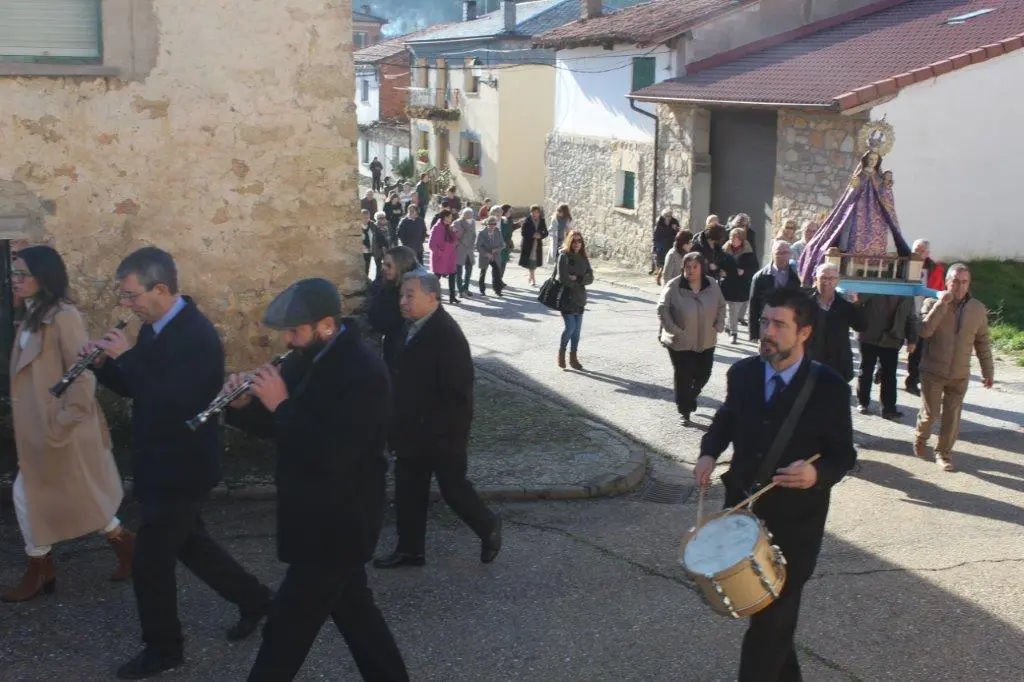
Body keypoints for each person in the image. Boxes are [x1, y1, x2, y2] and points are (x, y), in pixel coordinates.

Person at [83, 247, 274, 679]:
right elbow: (138, 387)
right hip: (158, 460)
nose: (126, 304)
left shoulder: (196, 336)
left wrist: (124, 357)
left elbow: (175, 401)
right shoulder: (155, 327)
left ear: (162, 289)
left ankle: (164, 648)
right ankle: (259, 600)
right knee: (192, 545)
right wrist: (103, 367)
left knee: (150, 562)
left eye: (131, 295)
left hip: (182, 466)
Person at [223, 278, 409, 682]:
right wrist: (241, 406)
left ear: (326, 325)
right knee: (358, 617)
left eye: (295, 331)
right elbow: (278, 426)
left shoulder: (365, 373)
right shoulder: (305, 359)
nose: (288, 340)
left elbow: (334, 452)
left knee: (285, 630)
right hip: (312, 513)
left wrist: (281, 405)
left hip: (339, 522)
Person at [694, 287, 856, 682]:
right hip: (743, 517)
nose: (767, 331)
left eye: (779, 324)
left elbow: (843, 455)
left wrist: (816, 475)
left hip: (796, 526)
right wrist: (708, 452)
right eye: (765, 321)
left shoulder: (830, 387)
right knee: (772, 623)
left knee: (769, 627)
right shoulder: (743, 373)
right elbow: (728, 418)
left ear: (804, 332)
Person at [1, 246, 133, 603]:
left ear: (44, 277)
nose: (15, 281)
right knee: (79, 495)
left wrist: (63, 421)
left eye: (22, 274)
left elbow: (83, 372)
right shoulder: (28, 313)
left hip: (61, 429)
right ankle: (126, 547)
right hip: (39, 429)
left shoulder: (63, 315)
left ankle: (39, 569)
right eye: (13, 274)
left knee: (26, 495)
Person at [374, 271, 502, 568]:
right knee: (408, 492)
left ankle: (489, 526)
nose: (403, 302)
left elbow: (458, 393)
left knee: (454, 489)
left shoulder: (446, 334)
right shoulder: (407, 328)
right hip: (408, 430)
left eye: (410, 295)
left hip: (441, 434)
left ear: (432, 297)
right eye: (401, 295)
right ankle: (410, 549)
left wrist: (440, 432)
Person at [914, 264, 994, 472]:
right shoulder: (931, 302)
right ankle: (921, 435)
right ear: (947, 282)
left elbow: (982, 342)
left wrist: (988, 371)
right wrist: (941, 304)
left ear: (969, 284)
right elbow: (924, 331)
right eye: (955, 281)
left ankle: (943, 454)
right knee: (931, 414)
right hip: (933, 370)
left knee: (952, 416)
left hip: (959, 374)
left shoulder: (977, 308)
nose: (959, 286)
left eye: (963, 282)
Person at [797, 149, 910, 283]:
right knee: (852, 232)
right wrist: (857, 185)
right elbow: (850, 195)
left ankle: (878, 269)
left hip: (877, 214)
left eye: (875, 160)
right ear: (866, 160)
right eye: (870, 159)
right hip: (859, 211)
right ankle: (850, 265)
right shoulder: (860, 174)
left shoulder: (879, 177)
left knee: (882, 236)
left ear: (878, 161)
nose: (872, 162)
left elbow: (886, 198)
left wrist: (886, 187)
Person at [658, 252, 726, 425]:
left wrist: (718, 324)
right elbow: (662, 308)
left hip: (706, 339)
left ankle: (691, 396)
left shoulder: (712, 285)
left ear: (701, 268)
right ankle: (685, 410)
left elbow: (721, 305)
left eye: (695, 267)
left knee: (704, 373)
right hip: (680, 341)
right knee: (684, 375)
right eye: (687, 267)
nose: (691, 270)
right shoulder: (674, 286)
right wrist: (673, 329)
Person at [855, 294, 918, 420]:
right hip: (869, 335)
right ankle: (863, 402)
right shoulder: (876, 285)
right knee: (866, 370)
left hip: (892, 338)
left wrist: (912, 340)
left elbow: (911, 318)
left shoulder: (907, 294)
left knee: (889, 375)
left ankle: (888, 409)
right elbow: (857, 303)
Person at [806, 262, 866, 382]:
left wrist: (857, 305)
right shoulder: (804, 302)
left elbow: (862, 326)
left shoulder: (845, 305)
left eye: (832, 278)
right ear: (815, 279)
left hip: (837, 365)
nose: (827, 282)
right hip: (809, 364)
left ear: (837, 281)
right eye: (823, 277)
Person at [367, 246, 421, 372]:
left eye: (389, 265)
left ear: (401, 266)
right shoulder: (384, 280)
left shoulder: (411, 292)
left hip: (401, 346)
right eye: (383, 264)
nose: (383, 268)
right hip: (388, 342)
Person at [905, 238, 946, 396]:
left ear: (927, 253)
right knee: (892, 341)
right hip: (902, 310)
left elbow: (938, 291)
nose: (918, 253)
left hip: (921, 313)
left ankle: (912, 381)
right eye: (916, 249)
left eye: (921, 251)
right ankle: (881, 370)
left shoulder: (934, 269)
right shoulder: (904, 263)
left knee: (918, 349)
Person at [556, 230, 594, 371]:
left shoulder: (583, 257)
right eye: (574, 241)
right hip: (567, 298)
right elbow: (563, 279)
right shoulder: (564, 256)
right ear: (569, 241)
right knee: (570, 327)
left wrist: (577, 278)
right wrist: (579, 280)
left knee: (577, 332)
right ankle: (561, 353)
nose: (577, 244)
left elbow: (590, 278)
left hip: (580, 298)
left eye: (579, 241)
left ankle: (573, 358)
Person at [748, 241, 800, 341]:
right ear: (772, 254)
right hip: (768, 324)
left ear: (790, 254)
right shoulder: (760, 277)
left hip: (788, 323)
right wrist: (753, 333)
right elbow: (753, 305)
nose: (782, 256)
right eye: (779, 253)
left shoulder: (796, 276)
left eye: (785, 253)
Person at [720, 227, 758, 344]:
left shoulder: (748, 252)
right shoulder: (724, 250)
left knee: (737, 308)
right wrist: (720, 271)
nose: (731, 239)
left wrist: (745, 271)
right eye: (731, 237)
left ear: (741, 240)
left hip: (741, 285)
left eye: (734, 238)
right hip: (727, 283)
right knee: (731, 308)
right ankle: (733, 333)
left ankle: (729, 327)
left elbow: (754, 268)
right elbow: (717, 263)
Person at [428, 209, 460, 304]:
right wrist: (439, 253)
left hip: (449, 256)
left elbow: (454, 241)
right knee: (436, 277)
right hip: (440, 257)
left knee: (452, 275)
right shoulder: (437, 227)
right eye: (450, 217)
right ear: (445, 217)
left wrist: (454, 232)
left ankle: (452, 297)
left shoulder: (449, 227)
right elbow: (431, 244)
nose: (452, 218)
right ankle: (430, 296)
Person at [475, 216, 505, 296]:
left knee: (497, 273)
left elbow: (503, 245)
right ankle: (482, 290)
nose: (492, 226)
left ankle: (498, 291)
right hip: (485, 255)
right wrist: (486, 254)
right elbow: (478, 246)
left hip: (495, 255)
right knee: (483, 272)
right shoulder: (481, 233)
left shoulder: (498, 232)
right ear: (487, 224)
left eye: (494, 224)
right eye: (490, 224)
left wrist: (496, 249)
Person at [519, 204, 548, 286]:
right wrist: (532, 234)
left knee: (534, 260)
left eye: (536, 212)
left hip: (537, 244)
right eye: (533, 212)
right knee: (531, 260)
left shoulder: (542, 220)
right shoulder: (527, 220)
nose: (535, 214)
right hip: (528, 243)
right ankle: (533, 278)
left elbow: (546, 232)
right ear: (530, 212)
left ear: (539, 213)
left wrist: (541, 236)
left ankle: (531, 276)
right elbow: (523, 232)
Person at [652, 208, 681, 284]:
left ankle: (662, 276)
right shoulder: (659, 222)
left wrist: (676, 229)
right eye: (666, 216)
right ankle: (659, 275)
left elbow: (678, 232)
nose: (668, 218)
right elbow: (656, 236)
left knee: (668, 262)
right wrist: (657, 246)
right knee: (662, 263)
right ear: (663, 216)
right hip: (662, 245)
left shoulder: (674, 222)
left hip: (671, 244)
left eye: (669, 216)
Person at [454, 207, 477, 298]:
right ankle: (460, 290)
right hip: (459, 250)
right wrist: (457, 245)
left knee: (469, 270)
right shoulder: (456, 223)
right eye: (467, 214)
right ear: (463, 214)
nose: (469, 216)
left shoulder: (473, 222)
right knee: (459, 272)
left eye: (470, 214)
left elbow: (474, 234)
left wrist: (473, 244)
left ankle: (465, 288)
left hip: (469, 250)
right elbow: (453, 236)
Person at [498, 203, 519, 287]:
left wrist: (519, 224)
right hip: (500, 245)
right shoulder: (500, 220)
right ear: (505, 211)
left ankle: (500, 279)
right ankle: (497, 281)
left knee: (503, 263)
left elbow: (511, 229)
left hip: (507, 244)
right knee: (499, 264)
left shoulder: (509, 219)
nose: (511, 212)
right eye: (509, 211)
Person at [360, 208, 374, 278]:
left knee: (367, 269)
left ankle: (366, 282)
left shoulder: (371, 225)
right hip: (361, 252)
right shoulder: (357, 227)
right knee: (361, 269)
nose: (366, 219)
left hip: (369, 251)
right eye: (364, 218)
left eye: (368, 217)